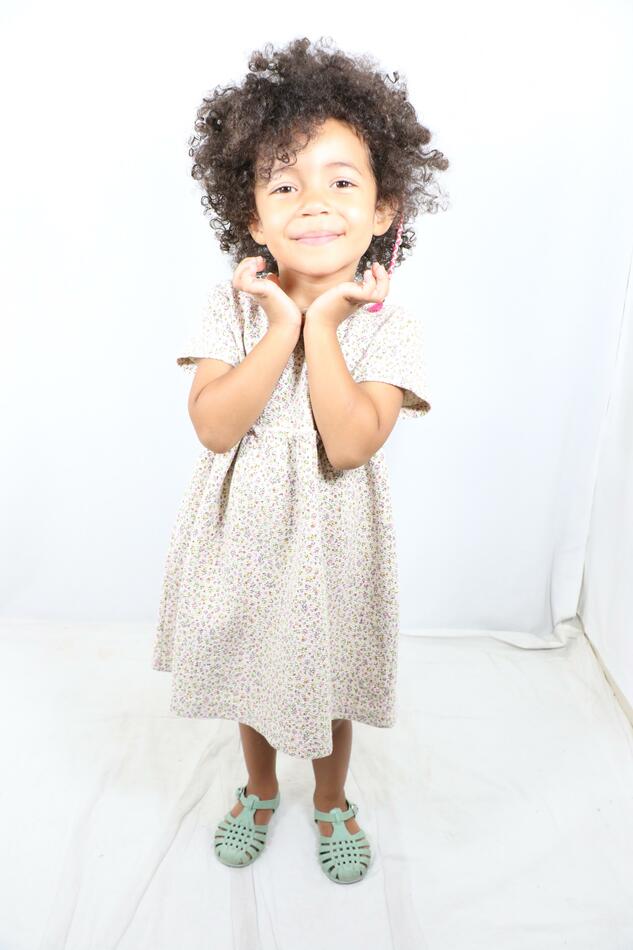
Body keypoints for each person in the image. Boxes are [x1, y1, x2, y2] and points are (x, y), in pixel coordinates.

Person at [152, 36, 449, 884]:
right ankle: (256, 789)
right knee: (253, 667)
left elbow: (349, 443)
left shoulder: (391, 327)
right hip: (242, 530)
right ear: (251, 217)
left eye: (340, 181)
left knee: (328, 676)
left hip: (333, 533)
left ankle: (329, 798)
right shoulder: (232, 307)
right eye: (284, 184)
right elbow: (215, 427)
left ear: (384, 210)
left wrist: (322, 325)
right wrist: (282, 321)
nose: (312, 202)